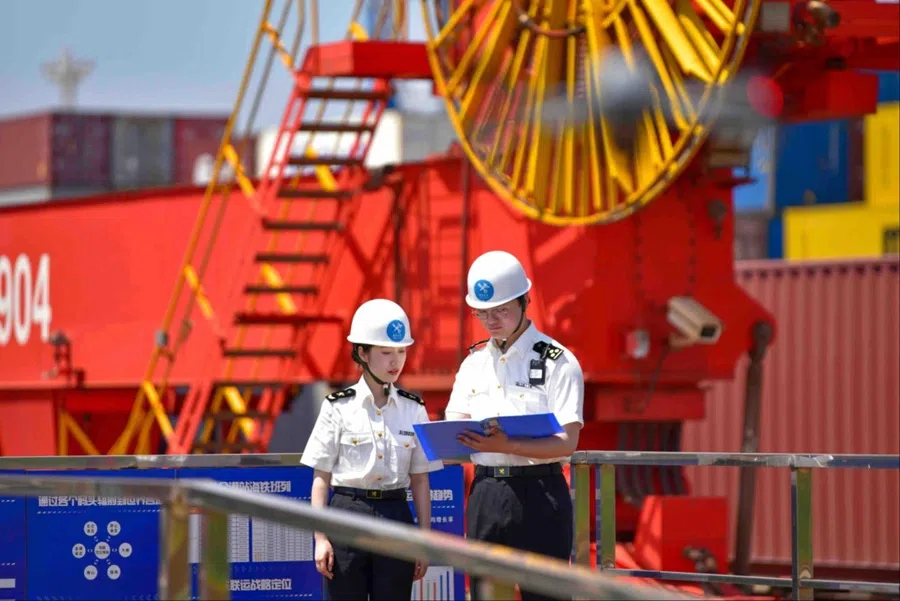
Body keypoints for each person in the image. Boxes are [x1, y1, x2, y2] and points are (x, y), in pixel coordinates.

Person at [444, 250, 585, 601]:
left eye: (501, 311)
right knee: (487, 595)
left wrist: (506, 445)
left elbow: (567, 442)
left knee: (547, 596)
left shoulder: (558, 362)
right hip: (486, 493)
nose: (491, 321)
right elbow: (453, 428)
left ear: (525, 301)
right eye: (482, 313)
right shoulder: (473, 365)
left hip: (540, 493)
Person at [301, 298, 444, 600]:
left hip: (396, 515)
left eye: (401, 351)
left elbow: (420, 479)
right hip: (347, 513)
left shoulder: (414, 409)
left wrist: (424, 540)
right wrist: (320, 538)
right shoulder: (337, 407)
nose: (396, 362)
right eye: (386, 352)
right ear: (362, 353)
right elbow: (321, 477)